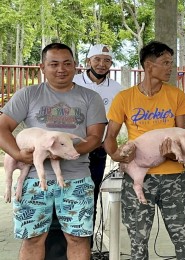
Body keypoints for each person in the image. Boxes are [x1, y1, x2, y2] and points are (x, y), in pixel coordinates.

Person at [0, 43, 107, 260]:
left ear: (76, 66)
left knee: (78, 238)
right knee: (32, 238)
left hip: (77, 179)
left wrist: (66, 152)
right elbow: (2, 127)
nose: (61, 69)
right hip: (33, 181)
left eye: (67, 63)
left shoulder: (90, 97)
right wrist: (18, 154)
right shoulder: (28, 95)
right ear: (42, 67)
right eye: (54, 64)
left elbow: (95, 137)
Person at [103, 41, 185, 259]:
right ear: (149, 65)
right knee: (138, 239)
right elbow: (110, 137)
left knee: (183, 238)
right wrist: (117, 156)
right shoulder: (124, 98)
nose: (170, 67)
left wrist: (174, 153)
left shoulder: (177, 96)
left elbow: (183, 136)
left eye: (171, 62)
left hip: (172, 177)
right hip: (138, 178)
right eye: (165, 62)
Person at [73, 43, 123, 247]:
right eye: (97, 60)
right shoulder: (73, 82)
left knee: (90, 196)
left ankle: (86, 246)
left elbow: (116, 121)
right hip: (71, 149)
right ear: (88, 61)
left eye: (107, 61)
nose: (102, 64)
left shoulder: (117, 90)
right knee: (65, 194)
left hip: (98, 151)